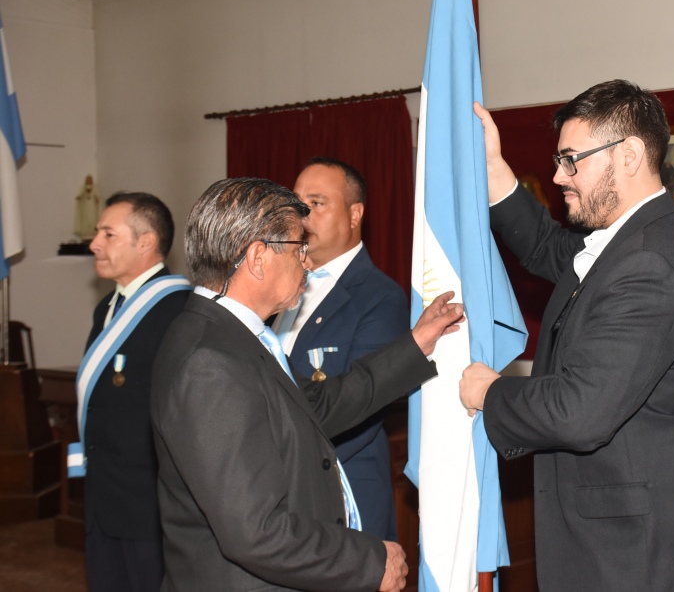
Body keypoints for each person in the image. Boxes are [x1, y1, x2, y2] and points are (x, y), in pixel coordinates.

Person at [459, 80, 674, 591]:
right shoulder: (640, 237)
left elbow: (578, 412)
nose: (558, 175)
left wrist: (489, 392)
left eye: (572, 160)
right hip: (629, 552)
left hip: (642, 562)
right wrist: (494, 169)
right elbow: (546, 247)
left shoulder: (648, 261)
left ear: (628, 156)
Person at [150, 178, 463, 592]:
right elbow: (257, 531)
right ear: (258, 257)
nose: (309, 263)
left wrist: (415, 345)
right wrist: (369, 561)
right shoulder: (211, 362)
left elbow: (312, 407)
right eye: (300, 247)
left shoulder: (230, 337)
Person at [272, 158, 408, 541]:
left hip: (339, 496)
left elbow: (359, 409)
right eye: (295, 204)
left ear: (354, 214)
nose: (301, 215)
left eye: (316, 203)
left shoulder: (379, 297)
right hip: (276, 493)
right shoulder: (273, 289)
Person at [77, 192, 191, 592]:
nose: (95, 243)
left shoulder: (180, 311)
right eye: (97, 233)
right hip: (102, 501)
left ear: (145, 242)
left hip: (149, 510)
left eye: (108, 233)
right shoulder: (106, 307)